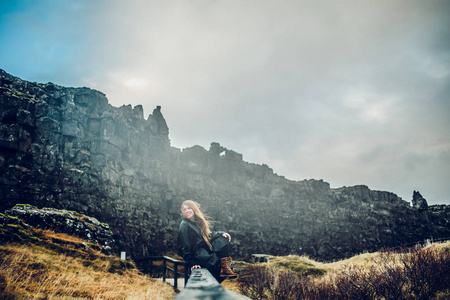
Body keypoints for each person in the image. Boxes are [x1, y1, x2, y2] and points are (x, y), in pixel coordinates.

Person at [177, 200, 237, 282]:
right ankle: (221, 271)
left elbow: (208, 235)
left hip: (206, 249)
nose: (187, 211)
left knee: (223, 239)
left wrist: (221, 233)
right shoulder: (184, 224)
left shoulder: (198, 222)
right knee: (216, 263)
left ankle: (225, 268)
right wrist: (192, 263)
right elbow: (184, 245)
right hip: (198, 254)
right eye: (185, 210)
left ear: (194, 209)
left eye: (189, 208)